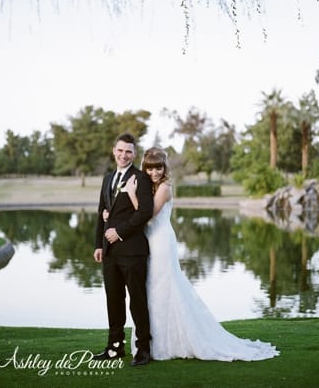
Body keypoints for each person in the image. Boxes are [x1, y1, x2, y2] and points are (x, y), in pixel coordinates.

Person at [115, 147, 279, 361]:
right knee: (152, 291)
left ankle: (173, 342)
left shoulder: (164, 188)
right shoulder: (149, 187)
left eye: (158, 168)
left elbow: (146, 216)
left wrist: (132, 194)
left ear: (165, 168)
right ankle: (153, 343)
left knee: (165, 288)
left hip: (162, 242)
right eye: (150, 168)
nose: (154, 172)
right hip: (148, 243)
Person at [92, 132, 154, 366]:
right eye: (120, 150)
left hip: (133, 251)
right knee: (113, 300)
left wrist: (119, 232)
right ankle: (114, 347)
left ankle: (144, 349)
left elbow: (145, 212)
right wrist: (99, 244)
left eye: (128, 151)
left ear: (134, 154)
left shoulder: (141, 178)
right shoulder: (108, 178)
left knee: (137, 301)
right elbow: (102, 212)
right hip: (110, 253)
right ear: (114, 151)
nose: (123, 155)